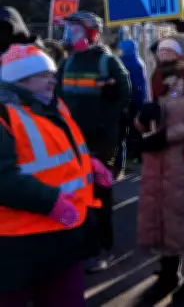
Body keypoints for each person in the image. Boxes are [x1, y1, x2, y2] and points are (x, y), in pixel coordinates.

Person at [0, 44, 113, 306]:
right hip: (17, 244)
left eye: (52, 73)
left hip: (64, 235)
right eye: (44, 75)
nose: (53, 79)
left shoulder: (54, 105)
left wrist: (90, 164)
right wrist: (50, 202)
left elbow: (62, 151)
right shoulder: (5, 115)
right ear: (20, 79)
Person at [135, 34, 184, 302]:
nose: (165, 57)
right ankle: (168, 274)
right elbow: (144, 123)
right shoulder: (155, 82)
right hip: (157, 164)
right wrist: (142, 119)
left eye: (171, 52)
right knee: (162, 217)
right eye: (162, 52)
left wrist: (165, 137)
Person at [56, 11, 131, 272]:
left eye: (75, 30)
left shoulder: (107, 61)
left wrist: (102, 120)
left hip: (100, 140)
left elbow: (125, 95)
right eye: (69, 30)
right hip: (72, 139)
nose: (70, 36)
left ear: (92, 33)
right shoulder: (67, 62)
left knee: (99, 193)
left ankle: (102, 248)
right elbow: (56, 96)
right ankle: (81, 244)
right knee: (75, 190)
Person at [116, 39, 147, 176]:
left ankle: (131, 159)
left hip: (128, 102)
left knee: (127, 132)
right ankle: (138, 158)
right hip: (137, 101)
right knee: (136, 131)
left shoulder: (124, 63)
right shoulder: (138, 62)